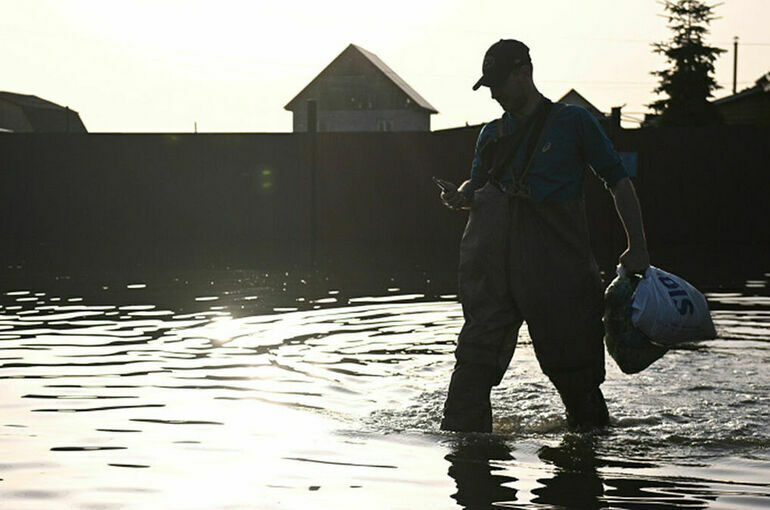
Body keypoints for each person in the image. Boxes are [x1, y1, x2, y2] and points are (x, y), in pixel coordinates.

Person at [438, 39, 649, 433]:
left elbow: (618, 182)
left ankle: (587, 464)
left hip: (558, 273)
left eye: (499, 83)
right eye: (489, 86)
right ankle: (471, 477)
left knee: (578, 387)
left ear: (524, 72)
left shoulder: (574, 123)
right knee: (470, 376)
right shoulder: (491, 135)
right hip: (496, 274)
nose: (494, 93)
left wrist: (637, 247)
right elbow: (480, 188)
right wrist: (463, 196)